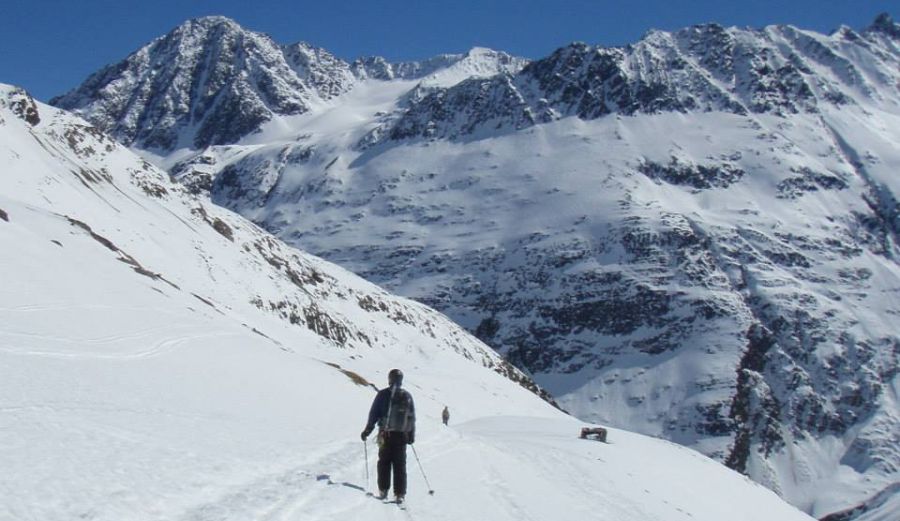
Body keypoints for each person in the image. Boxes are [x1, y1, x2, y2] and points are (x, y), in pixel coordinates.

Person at [361, 369, 416, 503]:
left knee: (384, 462)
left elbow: (374, 414)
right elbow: (411, 417)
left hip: (385, 434)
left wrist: (367, 430)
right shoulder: (407, 396)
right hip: (401, 435)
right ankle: (400, 493)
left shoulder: (383, 394)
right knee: (400, 464)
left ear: (389, 379)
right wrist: (411, 435)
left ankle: (383, 489)